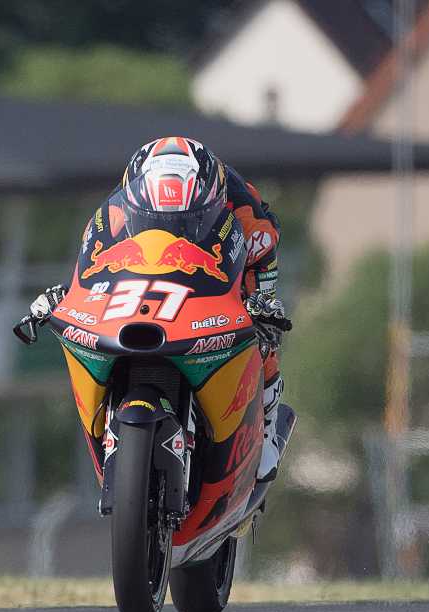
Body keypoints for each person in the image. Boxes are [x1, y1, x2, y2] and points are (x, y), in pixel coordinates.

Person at [28, 136, 291, 481]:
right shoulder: (117, 210)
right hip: (151, 286)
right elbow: (96, 262)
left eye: (184, 217)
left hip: (220, 280)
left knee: (264, 339)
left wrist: (262, 305)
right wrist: (70, 298)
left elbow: (263, 270)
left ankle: (267, 424)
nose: (173, 223)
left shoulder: (248, 215)